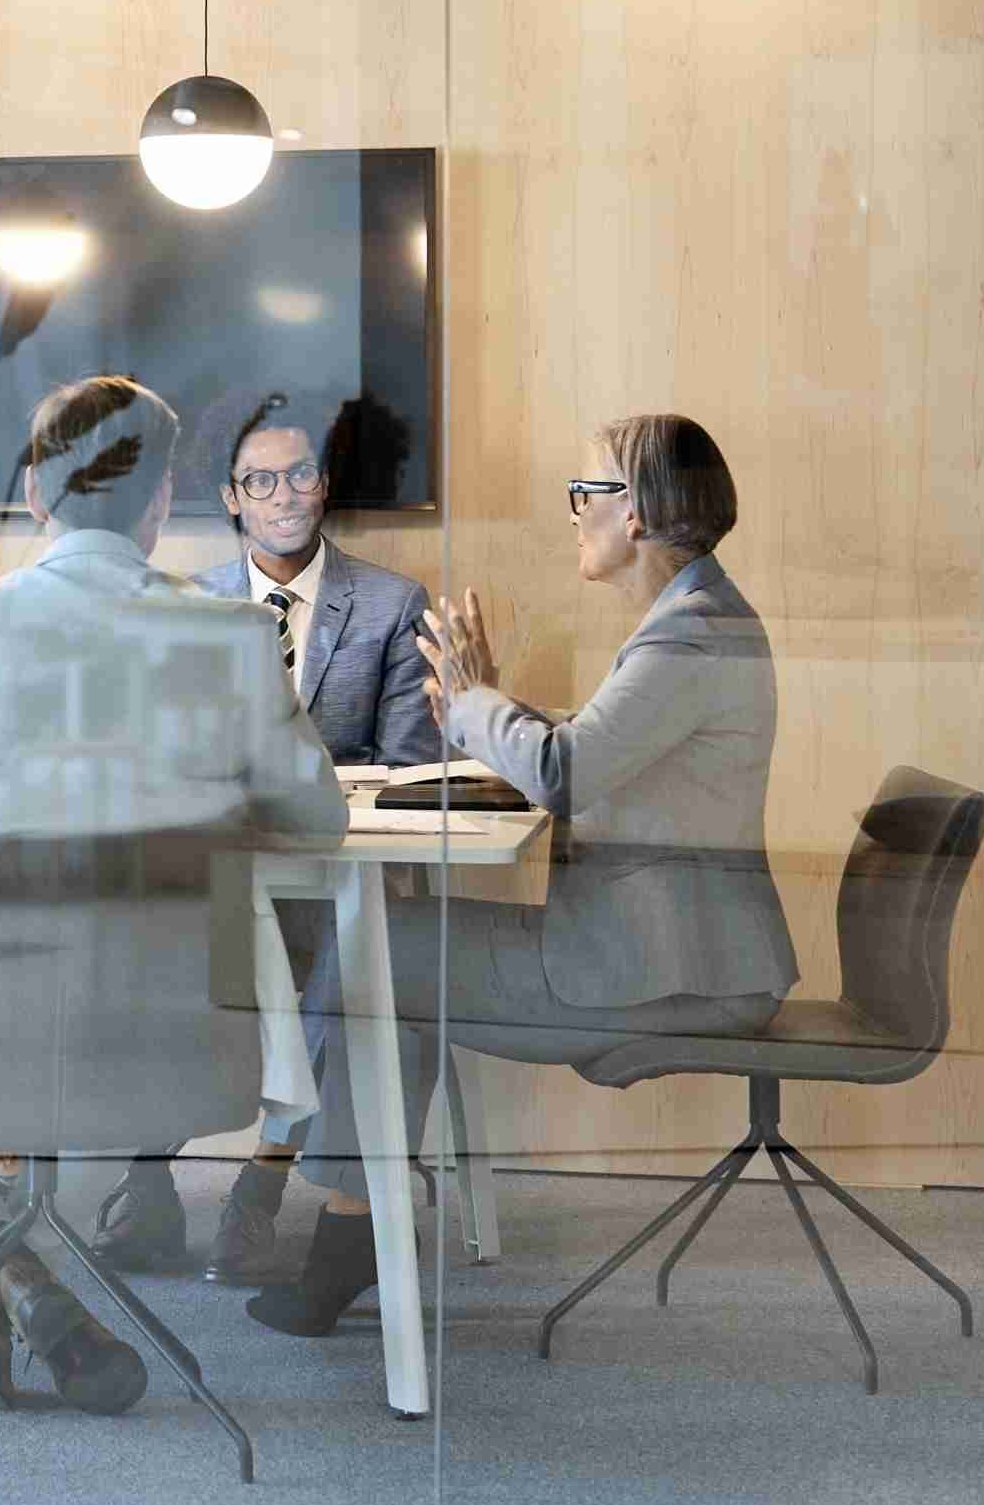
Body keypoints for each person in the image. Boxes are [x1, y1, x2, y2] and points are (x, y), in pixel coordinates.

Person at [0, 376, 347, 1414]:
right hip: (173, 1046)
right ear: (163, 504)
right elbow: (317, 819)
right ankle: (20, 1283)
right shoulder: (230, 633)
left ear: (31, 495)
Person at [248, 412, 799, 1337]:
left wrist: (474, 706)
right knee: (387, 952)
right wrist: (486, 708)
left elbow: (566, 770)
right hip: (662, 954)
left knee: (377, 958)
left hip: (660, 976)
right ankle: (348, 1231)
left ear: (640, 512)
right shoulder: (694, 620)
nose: (573, 514)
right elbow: (596, 750)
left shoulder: (690, 634)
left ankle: (331, 1228)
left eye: (586, 494)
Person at [92, 394, 441, 1280]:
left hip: (332, 875)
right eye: (261, 480)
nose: (284, 493)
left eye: (299, 474)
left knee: (347, 963)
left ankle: (264, 1181)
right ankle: (146, 1178)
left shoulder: (393, 604)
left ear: (323, 486)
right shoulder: (178, 602)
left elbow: (406, 769)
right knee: (139, 949)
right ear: (232, 497)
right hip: (211, 876)